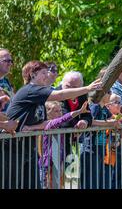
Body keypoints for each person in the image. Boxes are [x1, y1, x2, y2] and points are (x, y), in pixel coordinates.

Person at [3, 60, 102, 189]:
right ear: (32, 75)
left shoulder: (39, 96)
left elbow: (45, 122)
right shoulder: (30, 90)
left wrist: (77, 113)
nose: (47, 75)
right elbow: (60, 95)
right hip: (12, 148)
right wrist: (87, 89)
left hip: (28, 148)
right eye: (43, 72)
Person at [22, 100, 90, 189]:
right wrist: (79, 111)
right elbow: (62, 119)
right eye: (56, 111)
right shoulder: (48, 124)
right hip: (46, 166)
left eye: (60, 110)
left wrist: (75, 134)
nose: (60, 113)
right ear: (48, 113)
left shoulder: (59, 127)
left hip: (58, 164)